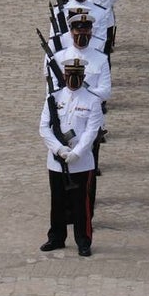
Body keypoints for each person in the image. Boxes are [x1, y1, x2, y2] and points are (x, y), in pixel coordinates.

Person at [39, 58, 104, 256]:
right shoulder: (54, 98)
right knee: (57, 201)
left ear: (83, 76)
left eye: (77, 75)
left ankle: (83, 240)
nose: (73, 79)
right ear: (64, 75)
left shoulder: (92, 100)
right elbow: (44, 128)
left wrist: (76, 153)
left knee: (81, 204)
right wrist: (59, 149)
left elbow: (91, 131)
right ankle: (56, 237)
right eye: (69, 75)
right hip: (57, 161)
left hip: (81, 162)